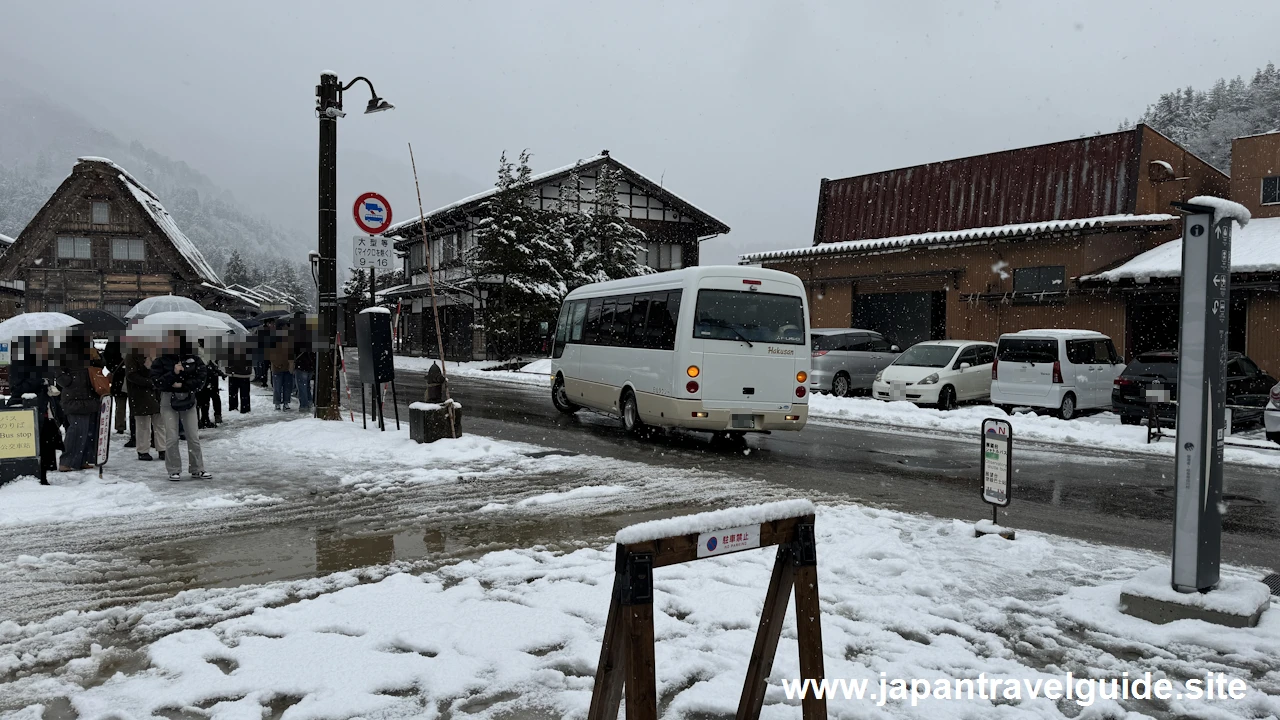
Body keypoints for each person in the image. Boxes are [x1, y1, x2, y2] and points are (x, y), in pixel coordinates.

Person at [152, 331, 211, 481]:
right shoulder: (161, 361)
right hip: (168, 400)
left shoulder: (193, 359)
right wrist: (172, 373)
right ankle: (173, 469)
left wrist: (183, 384)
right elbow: (157, 382)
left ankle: (197, 468)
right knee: (171, 437)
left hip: (188, 399)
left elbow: (201, 378)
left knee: (193, 436)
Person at [7, 336, 64, 483]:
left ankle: (45, 472)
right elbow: (16, 388)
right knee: (37, 445)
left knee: (47, 441)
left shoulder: (43, 362)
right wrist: (40, 381)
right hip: (27, 411)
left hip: (45, 408)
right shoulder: (19, 363)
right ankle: (38, 477)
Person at [55, 336, 99, 472]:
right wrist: (68, 381)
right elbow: (57, 371)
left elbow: (101, 366)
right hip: (73, 397)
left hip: (90, 396)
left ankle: (82, 460)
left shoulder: (89, 351)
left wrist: (97, 357)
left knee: (88, 431)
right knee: (76, 430)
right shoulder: (63, 352)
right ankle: (67, 461)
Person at [124, 348, 165, 461]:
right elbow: (131, 375)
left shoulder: (158, 352)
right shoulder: (132, 354)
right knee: (143, 423)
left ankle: (162, 448)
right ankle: (143, 450)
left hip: (156, 392)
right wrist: (150, 380)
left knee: (159, 421)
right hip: (140, 393)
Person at [197, 339, 224, 429]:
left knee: (211, 397)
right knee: (202, 398)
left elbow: (216, 361)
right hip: (203, 375)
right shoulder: (197, 349)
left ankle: (209, 417)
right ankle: (203, 419)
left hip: (211, 375)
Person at [268, 330, 294, 411]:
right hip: (278, 368)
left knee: (287, 387)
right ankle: (278, 403)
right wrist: (278, 364)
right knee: (278, 387)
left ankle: (285, 402)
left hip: (287, 367)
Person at [226, 340, 253, 413]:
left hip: (233, 373)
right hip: (244, 373)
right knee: (245, 393)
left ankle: (233, 408)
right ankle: (245, 408)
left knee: (233, 393)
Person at [294, 341, 315, 412]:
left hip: (302, 365)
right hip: (310, 365)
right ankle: (309, 402)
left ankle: (304, 405)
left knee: (302, 387)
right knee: (306, 386)